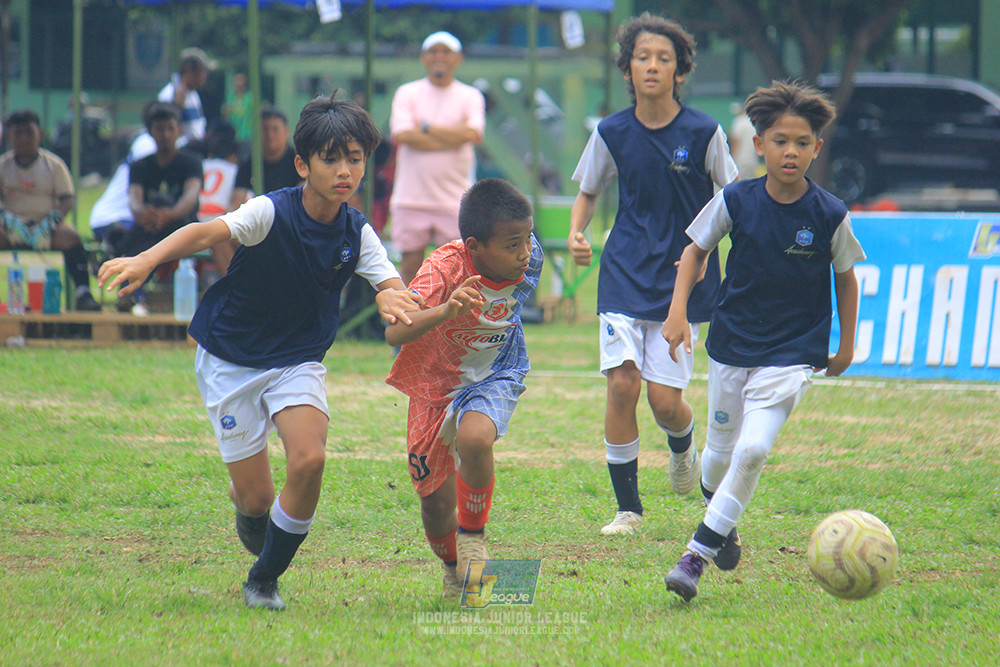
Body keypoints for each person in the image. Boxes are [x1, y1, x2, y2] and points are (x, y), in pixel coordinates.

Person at [97, 94, 423, 612]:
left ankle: (263, 580)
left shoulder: (356, 231)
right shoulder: (271, 211)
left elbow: (390, 284)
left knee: (310, 459)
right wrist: (147, 259)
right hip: (231, 358)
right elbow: (207, 230)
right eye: (330, 159)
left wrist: (390, 295)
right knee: (256, 503)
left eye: (355, 158)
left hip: (296, 360)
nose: (344, 171)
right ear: (303, 165)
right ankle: (249, 510)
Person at [660, 80, 865, 602]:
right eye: (780, 141)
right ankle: (722, 522)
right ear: (758, 145)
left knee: (752, 451)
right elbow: (695, 250)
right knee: (717, 459)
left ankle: (695, 556)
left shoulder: (830, 213)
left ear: (817, 148)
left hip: (793, 352)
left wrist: (846, 345)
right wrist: (678, 312)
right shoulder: (736, 198)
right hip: (732, 344)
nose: (790, 151)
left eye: (802, 142)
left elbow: (846, 277)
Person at [567, 14, 738, 537]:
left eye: (664, 59)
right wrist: (577, 233)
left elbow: (733, 199)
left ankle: (683, 444)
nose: (652, 66)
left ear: (680, 72)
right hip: (623, 270)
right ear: (627, 68)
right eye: (642, 57)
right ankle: (628, 510)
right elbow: (589, 190)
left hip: (682, 278)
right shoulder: (611, 132)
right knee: (622, 385)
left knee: (665, 403)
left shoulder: (704, 132)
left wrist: (711, 252)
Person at [385, 177, 542, 598]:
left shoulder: (530, 259)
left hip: (495, 371)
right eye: (513, 245)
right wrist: (445, 310)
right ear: (474, 247)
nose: (525, 253)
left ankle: (473, 536)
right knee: (435, 506)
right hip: (435, 385)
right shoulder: (442, 270)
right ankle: (456, 568)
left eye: (529, 239)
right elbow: (394, 332)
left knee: (475, 439)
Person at [389, 30, 485, 287]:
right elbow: (403, 134)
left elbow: (472, 133)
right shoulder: (407, 92)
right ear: (423, 57)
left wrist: (426, 127)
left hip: (455, 199)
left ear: (458, 59)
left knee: (455, 270)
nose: (439, 57)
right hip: (411, 197)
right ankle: (411, 312)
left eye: (446, 52)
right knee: (410, 267)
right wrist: (452, 138)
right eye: (433, 51)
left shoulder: (470, 95)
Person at [0, 109, 101, 311]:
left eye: (29, 132)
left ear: (40, 134)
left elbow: (67, 199)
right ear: (9, 136)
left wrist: (51, 224)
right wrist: (7, 221)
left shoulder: (54, 165)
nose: (24, 139)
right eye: (18, 133)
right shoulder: (3, 165)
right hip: (11, 226)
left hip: (47, 226)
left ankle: (83, 293)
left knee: (71, 236)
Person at [120, 102, 203, 315]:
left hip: (181, 224)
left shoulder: (191, 162)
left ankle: (130, 290)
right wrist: (144, 214)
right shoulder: (140, 165)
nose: (165, 135)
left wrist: (168, 214)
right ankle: (130, 294)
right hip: (149, 225)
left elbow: (190, 197)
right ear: (150, 132)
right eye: (159, 129)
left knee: (162, 207)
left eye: (170, 128)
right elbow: (134, 200)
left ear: (179, 130)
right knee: (143, 230)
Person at [159, 47, 216, 147]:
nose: (205, 76)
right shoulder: (168, 94)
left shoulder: (193, 95)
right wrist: (177, 107)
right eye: (203, 71)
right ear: (189, 69)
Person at [223, 73, 253, 148]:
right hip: (232, 136)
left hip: (247, 135)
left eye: (240, 80)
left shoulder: (250, 97)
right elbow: (225, 113)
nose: (238, 83)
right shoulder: (231, 96)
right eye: (236, 81)